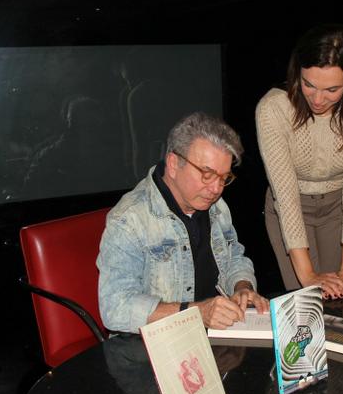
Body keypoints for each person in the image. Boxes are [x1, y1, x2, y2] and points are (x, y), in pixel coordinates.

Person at [97, 112, 269, 334]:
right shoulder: (129, 219)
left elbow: (234, 256)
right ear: (173, 163)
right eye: (207, 174)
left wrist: (242, 287)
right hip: (154, 345)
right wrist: (197, 312)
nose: (216, 189)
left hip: (214, 335)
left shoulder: (215, 206)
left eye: (224, 178)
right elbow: (115, 308)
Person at [256, 24, 343, 299]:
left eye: (331, 89)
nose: (317, 99)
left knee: (339, 294)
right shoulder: (273, 108)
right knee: (306, 298)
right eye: (308, 84)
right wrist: (307, 276)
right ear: (298, 72)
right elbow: (286, 195)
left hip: (339, 206)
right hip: (291, 206)